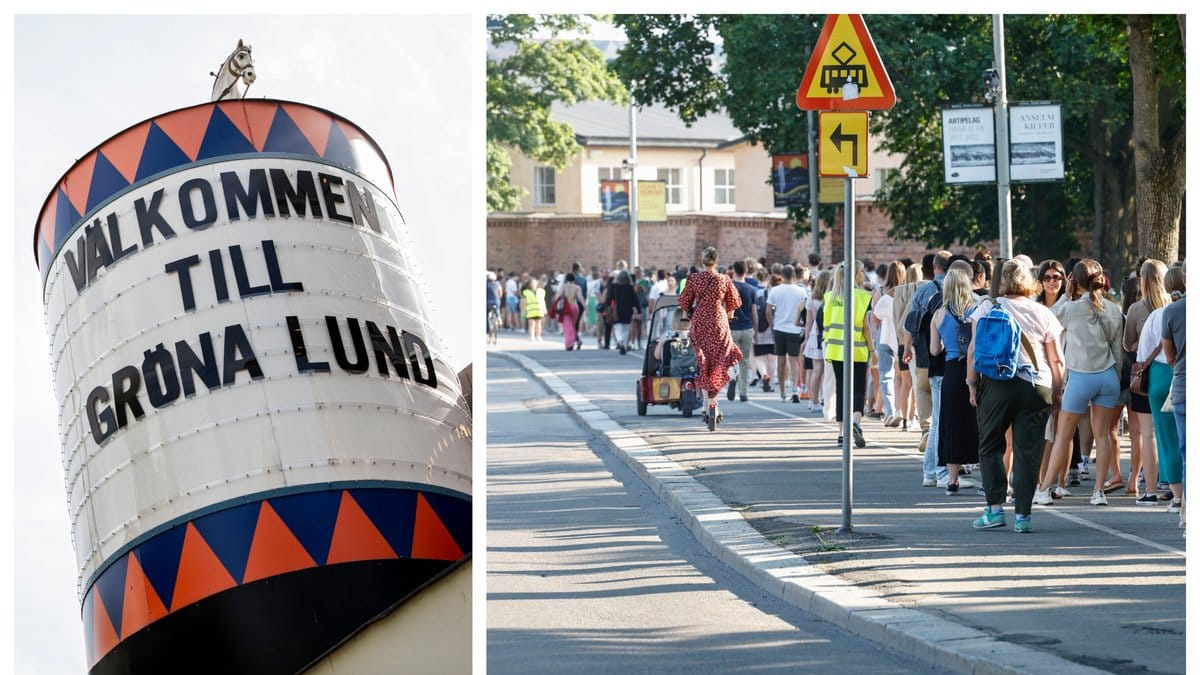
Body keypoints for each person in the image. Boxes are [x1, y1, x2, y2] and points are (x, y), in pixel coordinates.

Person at [967, 261, 1064, 534]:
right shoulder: (1042, 312)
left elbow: (974, 350)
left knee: (990, 445)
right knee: (1028, 451)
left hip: (997, 384)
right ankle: (1023, 515)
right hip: (1036, 385)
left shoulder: (986, 307)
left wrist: (972, 384)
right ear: (1029, 282)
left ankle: (994, 509)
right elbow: (1056, 360)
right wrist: (1057, 392)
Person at [1034, 259, 1124, 507]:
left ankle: (1044, 488)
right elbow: (1117, 350)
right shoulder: (1113, 309)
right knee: (1103, 434)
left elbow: (1048, 320)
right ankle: (1098, 491)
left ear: (1074, 280)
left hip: (1080, 375)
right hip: (1107, 375)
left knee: (1063, 435)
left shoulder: (1071, 309)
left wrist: (1065, 295)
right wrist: (1114, 376)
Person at [679, 246, 744, 426]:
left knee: (703, 362)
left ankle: (708, 404)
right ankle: (714, 400)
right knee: (721, 358)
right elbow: (733, 302)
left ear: (702, 260)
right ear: (717, 260)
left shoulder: (694, 278)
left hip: (700, 321)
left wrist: (686, 314)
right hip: (718, 320)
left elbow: (685, 300)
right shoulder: (724, 279)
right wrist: (729, 315)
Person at [929, 267, 980, 495]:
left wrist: (947, 343)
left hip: (951, 370)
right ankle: (982, 471)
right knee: (976, 421)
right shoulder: (975, 311)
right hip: (974, 371)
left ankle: (952, 481)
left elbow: (933, 349)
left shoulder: (939, 315)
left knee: (950, 424)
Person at [1138, 266, 1185, 512]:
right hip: (1180, 371)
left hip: (1161, 375)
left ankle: (1178, 496)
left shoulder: (1158, 314)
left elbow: (1143, 353)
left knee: (1167, 439)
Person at [1124, 260, 1169, 504]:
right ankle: (1171, 483)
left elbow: (1127, 342)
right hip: (1172, 372)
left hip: (1147, 375)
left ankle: (1151, 488)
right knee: (1172, 432)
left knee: (1148, 434)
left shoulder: (1137, 309)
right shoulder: (1174, 307)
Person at [824, 260, 874, 448]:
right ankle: (855, 422)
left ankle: (841, 433)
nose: (863, 275)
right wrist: (872, 350)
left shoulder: (830, 297)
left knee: (841, 390)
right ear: (855, 275)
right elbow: (866, 327)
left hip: (836, 350)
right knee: (858, 390)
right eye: (861, 272)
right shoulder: (862, 296)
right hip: (857, 350)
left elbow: (826, 325)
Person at [1160, 271, 1186, 528]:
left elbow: (1170, 357)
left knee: (1188, 453)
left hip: (1183, 386)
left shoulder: (1172, 311)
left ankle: (1186, 510)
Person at [768, 264, 808, 403]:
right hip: (795, 328)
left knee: (781, 360)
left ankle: (782, 392)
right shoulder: (801, 292)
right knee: (794, 360)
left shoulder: (775, 291)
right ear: (794, 276)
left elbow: (768, 311)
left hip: (779, 327)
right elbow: (805, 310)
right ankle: (795, 390)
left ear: (781, 276)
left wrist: (772, 323)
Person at [872, 261, 905, 427]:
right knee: (903, 378)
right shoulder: (907, 292)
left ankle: (890, 411)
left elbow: (875, 316)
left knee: (886, 376)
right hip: (902, 337)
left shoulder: (882, 293)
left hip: (885, 336)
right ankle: (902, 411)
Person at [727, 260, 758, 402]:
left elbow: (723, 308)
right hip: (747, 327)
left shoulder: (729, 287)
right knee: (744, 361)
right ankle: (743, 392)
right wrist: (756, 331)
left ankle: (732, 376)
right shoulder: (751, 289)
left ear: (734, 271)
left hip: (731, 327)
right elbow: (754, 312)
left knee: (728, 358)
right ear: (746, 271)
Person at [804, 270, 833, 413]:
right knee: (826, 371)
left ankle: (813, 400)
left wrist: (805, 339)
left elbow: (809, 322)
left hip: (814, 335)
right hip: (827, 334)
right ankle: (821, 398)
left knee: (816, 371)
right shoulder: (830, 298)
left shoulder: (812, 299)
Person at [608, 270, 639, 355]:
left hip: (617, 309)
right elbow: (635, 299)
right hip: (628, 309)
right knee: (626, 328)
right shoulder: (630, 287)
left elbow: (609, 298)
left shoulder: (614, 286)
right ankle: (624, 345)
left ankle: (620, 342)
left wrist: (606, 307)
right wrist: (638, 309)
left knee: (618, 327)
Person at [556, 272, 584, 350]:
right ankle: (577, 340)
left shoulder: (563, 287)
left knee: (567, 326)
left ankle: (569, 343)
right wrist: (585, 307)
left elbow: (558, 296)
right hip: (575, 307)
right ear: (574, 279)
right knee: (573, 325)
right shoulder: (577, 287)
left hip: (566, 308)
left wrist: (556, 306)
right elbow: (580, 298)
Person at [521, 277, 547, 342]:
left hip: (539, 309)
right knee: (531, 324)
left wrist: (545, 308)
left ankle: (538, 336)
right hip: (530, 310)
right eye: (532, 283)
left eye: (534, 283)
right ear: (529, 284)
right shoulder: (526, 292)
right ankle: (532, 336)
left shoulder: (541, 291)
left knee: (538, 324)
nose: (533, 284)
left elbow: (543, 301)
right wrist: (523, 310)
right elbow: (524, 302)